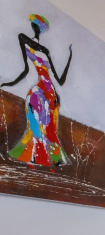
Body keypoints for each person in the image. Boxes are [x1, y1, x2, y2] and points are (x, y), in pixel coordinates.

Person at [0, 14, 73, 167]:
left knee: (50, 129)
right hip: (40, 90)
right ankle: (34, 156)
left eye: (39, 26)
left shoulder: (45, 51)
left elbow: (60, 80)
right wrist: (8, 83)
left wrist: (69, 58)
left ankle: (54, 159)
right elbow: (26, 70)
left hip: (51, 93)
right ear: (33, 27)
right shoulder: (24, 39)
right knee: (33, 124)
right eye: (35, 25)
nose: (37, 28)